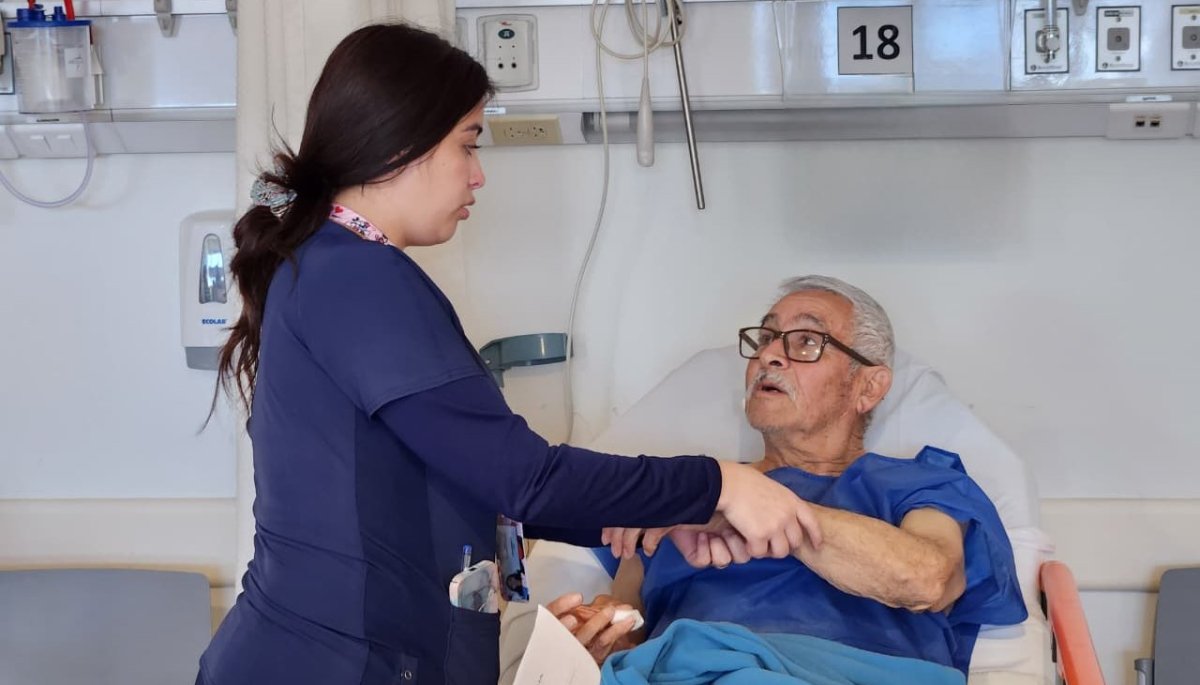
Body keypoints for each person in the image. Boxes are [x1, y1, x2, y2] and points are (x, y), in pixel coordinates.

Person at [196, 23, 823, 685]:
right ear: (400, 142)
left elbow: (472, 481)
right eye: (468, 144)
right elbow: (524, 477)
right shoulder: (356, 277)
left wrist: (662, 512)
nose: (479, 174)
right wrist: (719, 483)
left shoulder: (332, 268)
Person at [551, 276, 1028, 682]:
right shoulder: (684, 489)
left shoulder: (922, 484)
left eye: (805, 342)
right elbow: (630, 625)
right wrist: (602, 640)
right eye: (765, 339)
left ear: (869, 386)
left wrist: (754, 511)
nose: (769, 356)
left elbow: (927, 579)